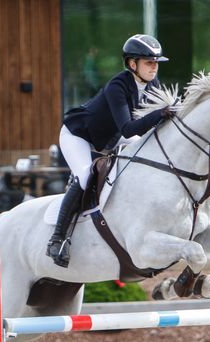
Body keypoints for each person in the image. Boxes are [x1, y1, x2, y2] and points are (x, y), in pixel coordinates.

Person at [46, 34, 175, 268]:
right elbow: (128, 129)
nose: (154, 67)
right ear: (132, 64)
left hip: (110, 138)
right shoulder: (119, 85)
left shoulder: (153, 85)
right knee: (86, 176)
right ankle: (57, 239)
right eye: (149, 62)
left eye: (156, 63)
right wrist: (160, 113)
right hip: (79, 136)